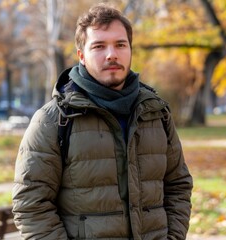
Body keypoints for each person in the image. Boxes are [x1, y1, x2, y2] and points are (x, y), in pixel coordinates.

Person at [12, 4, 193, 240]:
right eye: (99, 46)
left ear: (130, 50)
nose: (112, 54)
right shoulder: (52, 120)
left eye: (120, 44)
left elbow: (178, 185)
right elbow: (31, 206)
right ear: (82, 56)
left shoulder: (156, 113)